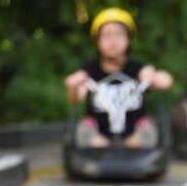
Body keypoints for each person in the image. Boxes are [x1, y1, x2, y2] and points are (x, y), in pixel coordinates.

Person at [64, 8, 173, 148]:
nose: (113, 41)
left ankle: (128, 150)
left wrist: (153, 76)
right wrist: (74, 86)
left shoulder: (137, 69)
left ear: (128, 40)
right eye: (106, 36)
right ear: (97, 41)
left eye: (119, 35)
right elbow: (76, 99)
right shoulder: (90, 70)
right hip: (99, 131)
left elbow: (166, 82)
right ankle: (104, 151)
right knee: (84, 131)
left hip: (134, 130)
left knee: (148, 131)